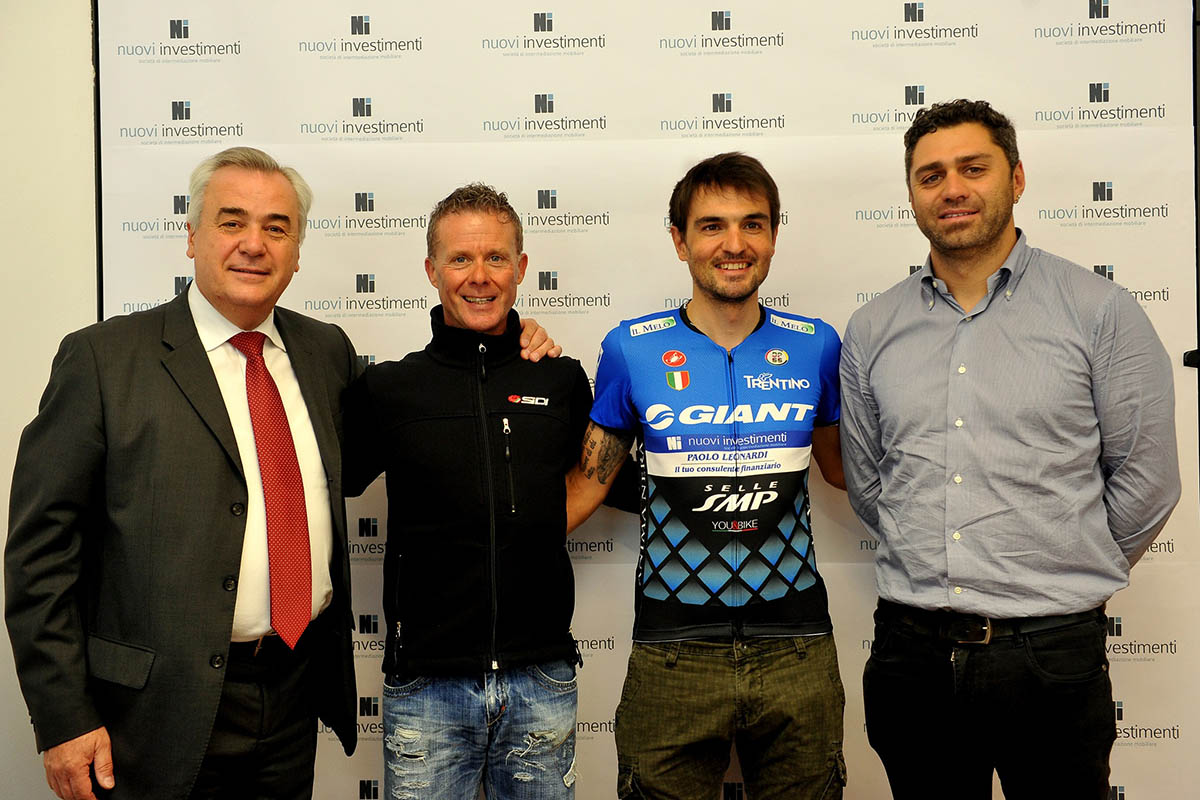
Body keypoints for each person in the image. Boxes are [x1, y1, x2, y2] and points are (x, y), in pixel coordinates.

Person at [4, 149, 557, 800]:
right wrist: (65, 717)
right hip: (152, 712)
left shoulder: (325, 351)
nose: (253, 244)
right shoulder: (103, 359)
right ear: (191, 235)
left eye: (277, 227)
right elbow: (40, 555)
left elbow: (428, 420)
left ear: (297, 252)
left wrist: (509, 346)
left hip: (293, 695)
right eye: (232, 221)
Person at [839, 99, 1181, 800]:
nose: (952, 189)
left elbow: (1147, 480)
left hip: (1053, 657)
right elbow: (872, 485)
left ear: (1016, 178)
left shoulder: (1099, 311)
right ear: (912, 194)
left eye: (974, 168)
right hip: (912, 657)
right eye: (931, 175)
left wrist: (1062, 563)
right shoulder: (872, 328)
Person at [566, 152, 847, 799]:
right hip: (673, 651)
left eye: (753, 224)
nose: (734, 244)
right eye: (712, 225)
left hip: (797, 647)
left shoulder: (817, 345)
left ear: (773, 235)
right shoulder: (630, 348)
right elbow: (586, 486)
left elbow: (842, 471)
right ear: (679, 239)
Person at [342, 183, 590, 799]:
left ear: (521, 267)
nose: (479, 277)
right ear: (431, 271)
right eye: (460, 259)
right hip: (426, 688)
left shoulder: (560, 378)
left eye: (496, 258)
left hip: (542, 679)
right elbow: (324, 483)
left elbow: (605, 481)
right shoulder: (389, 389)